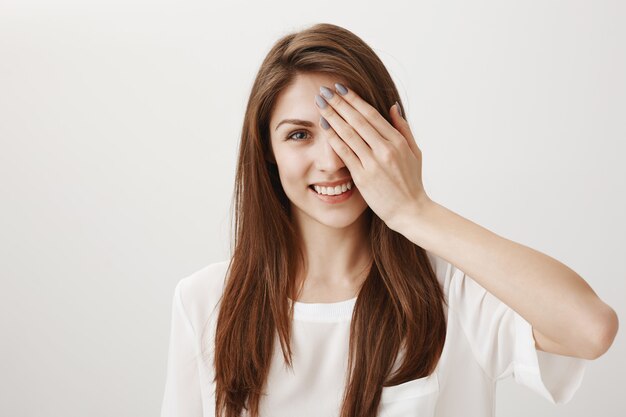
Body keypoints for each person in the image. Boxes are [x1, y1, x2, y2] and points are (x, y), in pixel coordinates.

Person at [160, 23, 618, 417]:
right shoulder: (205, 302)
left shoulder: (454, 292)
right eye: (299, 134)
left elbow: (591, 329)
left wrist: (414, 210)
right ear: (269, 154)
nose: (332, 159)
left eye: (352, 129)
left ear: (392, 134)